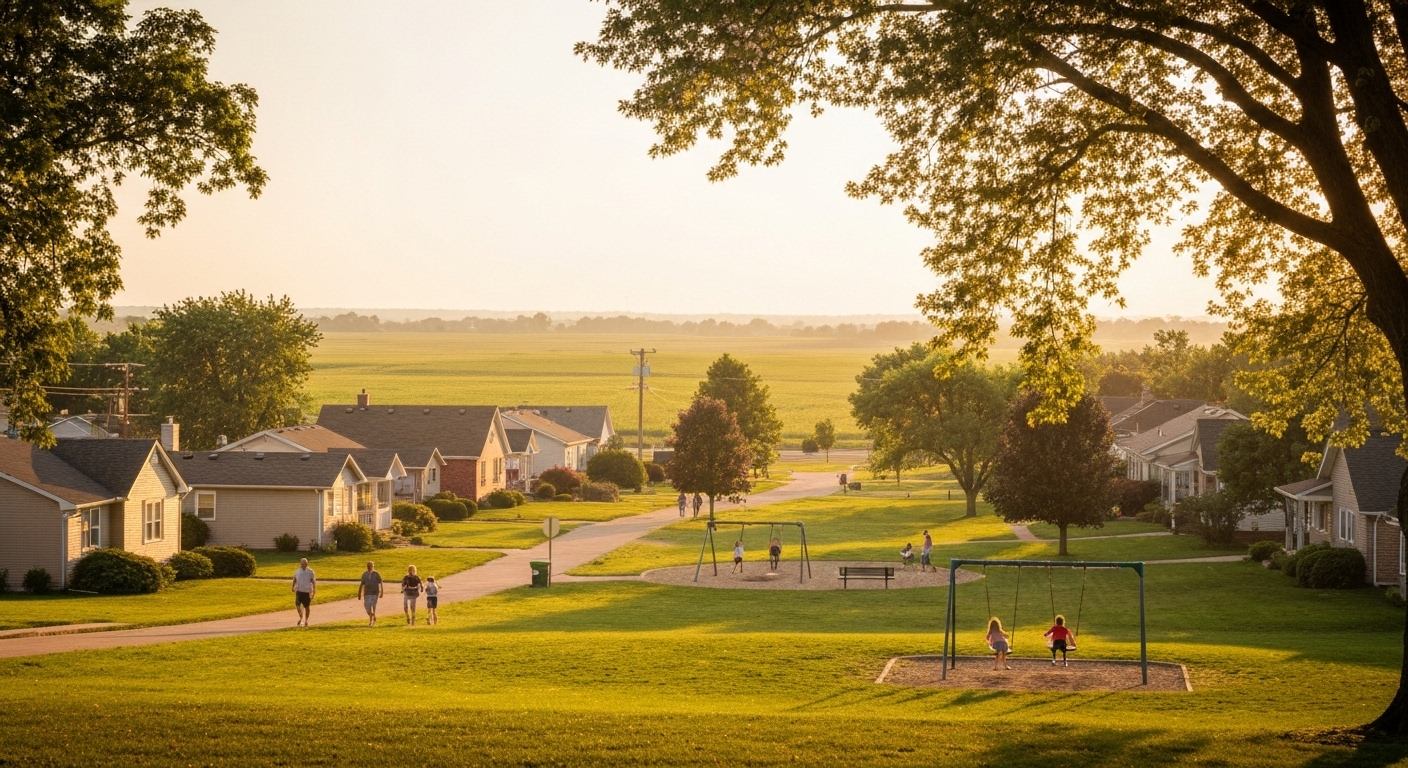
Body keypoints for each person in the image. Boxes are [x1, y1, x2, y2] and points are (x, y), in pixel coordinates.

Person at [291, 558, 316, 627]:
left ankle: (306, 620)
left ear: (307, 564)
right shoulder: (298, 572)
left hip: (306, 592)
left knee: (307, 607)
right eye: (303, 564)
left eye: (305, 564)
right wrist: (292, 587)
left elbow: (313, 582)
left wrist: (313, 591)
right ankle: (301, 617)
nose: (304, 565)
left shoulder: (310, 572)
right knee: (297, 605)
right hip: (299, 591)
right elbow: (294, 579)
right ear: (300, 564)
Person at [358, 561, 384, 627]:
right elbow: (361, 584)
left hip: (375, 593)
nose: (370, 567)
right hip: (367, 593)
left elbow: (381, 582)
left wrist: (382, 592)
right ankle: (373, 616)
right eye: (368, 566)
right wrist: (359, 593)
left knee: (373, 607)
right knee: (367, 607)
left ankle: (371, 622)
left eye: (371, 566)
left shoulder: (376, 574)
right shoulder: (365, 574)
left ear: (373, 567)